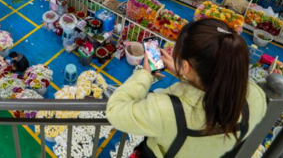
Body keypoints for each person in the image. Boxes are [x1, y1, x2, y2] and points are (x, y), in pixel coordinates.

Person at [107, 19, 266, 158]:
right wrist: (187, 74)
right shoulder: (256, 98)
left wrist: (145, 74)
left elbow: (115, 110)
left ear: (186, 65)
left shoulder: (167, 109)